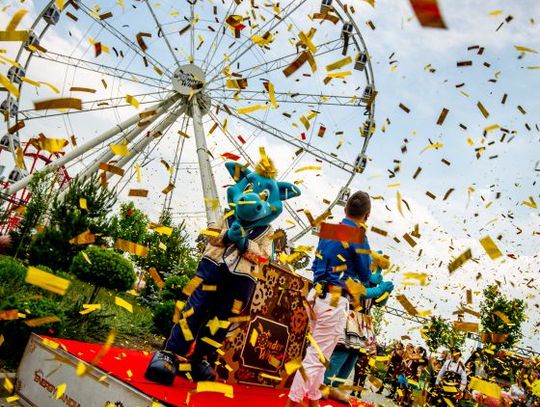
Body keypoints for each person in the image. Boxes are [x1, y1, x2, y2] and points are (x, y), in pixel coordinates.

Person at [285, 191, 392, 407]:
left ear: (345, 209)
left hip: (316, 294)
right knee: (317, 356)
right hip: (334, 299)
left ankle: (314, 400)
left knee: (322, 352)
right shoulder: (359, 236)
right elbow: (364, 275)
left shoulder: (328, 230)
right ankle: (293, 402)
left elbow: (315, 264)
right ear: (367, 215)